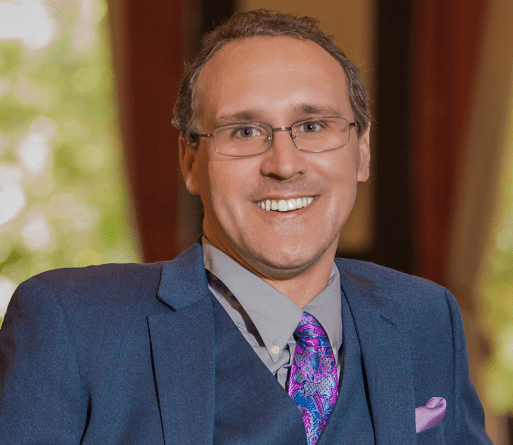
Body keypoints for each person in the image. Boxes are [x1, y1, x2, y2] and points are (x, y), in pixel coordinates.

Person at [0, 10, 493, 445]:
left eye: (313, 126)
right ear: (190, 161)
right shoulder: (72, 324)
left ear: (361, 151)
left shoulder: (426, 318)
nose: (284, 164)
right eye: (244, 131)